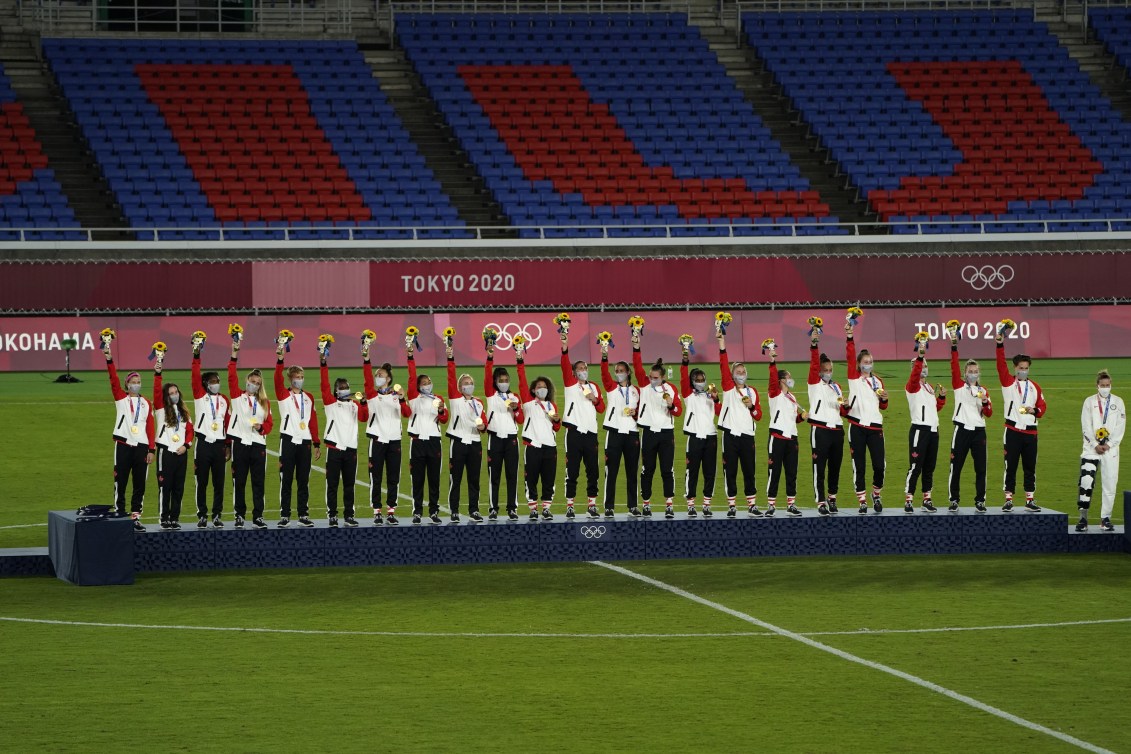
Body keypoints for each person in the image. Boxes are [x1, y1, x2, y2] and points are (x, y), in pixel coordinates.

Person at [102, 338, 155, 532]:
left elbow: (150, 427)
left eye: (138, 382)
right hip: (123, 445)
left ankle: (135, 517)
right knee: (121, 481)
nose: (136, 384)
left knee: (139, 484)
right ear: (127, 384)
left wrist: (151, 449)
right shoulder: (121, 398)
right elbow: (113, 380)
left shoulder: (146, 403)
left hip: (141, 447)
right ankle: (119, 515)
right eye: (133, 382)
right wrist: (109, 360)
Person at [632, 333, 683, 518]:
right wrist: (636, 346)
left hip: (666, 434)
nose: (652, 379)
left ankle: (669, 504)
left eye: (655, 377)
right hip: (648, 433)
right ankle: (646, 503)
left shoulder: (671, 389)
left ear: (662, 377)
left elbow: (678, 412)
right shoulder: (644, 385)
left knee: (667, 469)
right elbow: (637, 365)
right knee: (647, 469)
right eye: (650, 376)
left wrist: (671, 404)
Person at [995, 330, 1045, 512]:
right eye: (1020, 368)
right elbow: (1000, 365)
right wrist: (999, 345)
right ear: (1015, 368)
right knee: (1011, 466)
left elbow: (1042, 406)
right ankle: (1009, 499)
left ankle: (1030, 499)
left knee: (1030, 467)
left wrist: (1036, 410)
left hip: (1031, 432)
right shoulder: (1008, 382)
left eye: (1026, 368)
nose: (1023, 371)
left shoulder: (1035, 387)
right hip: (1013, 431)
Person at [321, 345, 369, 527]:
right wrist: (323, 363)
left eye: (346, 387)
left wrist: (363, 403)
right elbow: (324, 385)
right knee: (332, 485)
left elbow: (364, 418)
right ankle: (332, 515)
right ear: (335, 390)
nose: (344, 389)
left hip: (351, 450)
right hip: (334, 448)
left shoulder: (354, 405)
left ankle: (349, 515)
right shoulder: (330, 403)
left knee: (349, 485)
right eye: (341, 387)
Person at [560, 329, 605, 519]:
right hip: (574, 433)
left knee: (593, 470)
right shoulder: (570, 384)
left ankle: (591, 505)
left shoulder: (594, 386)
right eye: (579, 368)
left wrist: (595, 399)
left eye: (584, 368)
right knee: (573, 470)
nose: (582, 370)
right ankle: (570, 505)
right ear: (573, 372)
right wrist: (564, 346)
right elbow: (564, 364)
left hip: (591, 434)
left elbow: (601, 408)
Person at [716, 332, 762, 517]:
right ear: (732, 375)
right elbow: (723, 364)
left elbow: (758, 416)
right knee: (731, 471)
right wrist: (722, 343)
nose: (741, 374)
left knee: (749, 471)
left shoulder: (753, 392)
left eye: (743, 372)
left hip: (747, 436)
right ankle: (732, 506)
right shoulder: (728, 388)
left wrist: (752, 407)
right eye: (738, 372)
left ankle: (752, 505)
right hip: (730, 435)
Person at [275, 345, 321, 527]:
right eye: (296, 377)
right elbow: (277, 380)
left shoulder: (309, 397)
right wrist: (280, 360)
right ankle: (285, 515)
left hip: (305, 442)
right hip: (287, 440)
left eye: (302, 377)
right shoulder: (283, 394)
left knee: (303, 480)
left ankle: (303, 514)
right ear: (290, 378)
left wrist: (316, 443)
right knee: (286, 479)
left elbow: (313, 421)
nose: (299, 380)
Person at [228, 340, 273, 528]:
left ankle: (258, 516)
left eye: (257, 383)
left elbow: (270, 424)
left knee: (258, 482)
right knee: (239, 482)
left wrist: (261, 429)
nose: (254, 384)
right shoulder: (237, 397)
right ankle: (239, 515)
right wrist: (234, 354)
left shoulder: (264, 402)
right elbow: (231, 376)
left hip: (258, 445)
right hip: (239, 443)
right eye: (252, 381)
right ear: (246, 381)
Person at [844, 321, 887, 514]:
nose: (868, 364)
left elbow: (883, 405)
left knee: (880, 465)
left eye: (870, 361)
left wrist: (884, 399)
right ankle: (862, 500)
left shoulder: (878, 381)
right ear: (859, 364)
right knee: (858, 465)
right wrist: (850, 336)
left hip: (875, 427)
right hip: (857, 426)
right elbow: (850, 355)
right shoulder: (854, 378)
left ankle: (876, 493)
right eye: (865, 361)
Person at [363, 351, 411, 525]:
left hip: (394, 441)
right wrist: (367, 358)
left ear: (389, 379)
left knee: (393, 477)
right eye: (376, 375)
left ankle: (391, 510)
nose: (377, 377)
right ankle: (376, 510)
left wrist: (403, 398)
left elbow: (407, 414)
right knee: (375, 476)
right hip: (376, 439)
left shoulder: (396, 396)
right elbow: (367, 378)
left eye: (381, 375)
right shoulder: (372, 395)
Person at [947, 330, 992, 512]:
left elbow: (988, 413)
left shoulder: (984, 390)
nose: (973, 374)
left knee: (980, 468)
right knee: (956, 466)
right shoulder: (959, 386)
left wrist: (985, 402)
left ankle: (980, 500)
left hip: (979, 431)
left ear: (979, 373)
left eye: (975, 371)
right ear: (965, 373)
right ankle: (954, 499)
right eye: (970, 371)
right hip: (962, 430)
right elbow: (953, 366)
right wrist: (954, 346)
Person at [1077, 369, 1125, 532]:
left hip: (1110, 450)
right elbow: (1085, 425)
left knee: (1110, 484)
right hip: (1091, 449)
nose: (1105, 388)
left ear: (1111, 385)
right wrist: (1094, 445)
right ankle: (1083, 518)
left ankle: (1105, 518)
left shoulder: (1118, 402)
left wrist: (1109, 444)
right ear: (1097, 385)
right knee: (1086, 482)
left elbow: (1120, 427)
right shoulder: (1089, 402)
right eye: (1102, 385)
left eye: (1108, 385)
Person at [517, 346, 561, 519]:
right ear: (533, 390)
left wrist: (557, 421)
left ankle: (546, 508)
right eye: (538, 387)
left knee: (549, 479)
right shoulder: (528, 402)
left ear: (548, 390)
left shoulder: (552, 405)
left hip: (550, 447)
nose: (541, 389)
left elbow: (556, 428)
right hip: (533, 446)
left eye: (544, 387)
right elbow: (521, 379)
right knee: (532, 479)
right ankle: (533, 509)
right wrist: (520, 360)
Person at [407, 340, 450, 524]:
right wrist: (410, 356)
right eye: (423, 383)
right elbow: (411, 376)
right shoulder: (413, 398)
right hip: (417, 441)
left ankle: (433, 511)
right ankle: (417, 511)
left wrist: (441, 410)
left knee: (434, 479)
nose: (427, 384)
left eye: (429, 382)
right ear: (418, 386)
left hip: (434, 442)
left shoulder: (438, 399)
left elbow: (445, 418)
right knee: (417, 479)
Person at [446, 341, 488, 522]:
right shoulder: (455, 399)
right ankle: (454, 510)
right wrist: (450, 357)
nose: (468, 385)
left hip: (475, 443)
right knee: (455, 479)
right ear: (459, 387)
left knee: (474, 479)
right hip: (458, 441)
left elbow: (484, 421)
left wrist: (483, 427)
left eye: (470, 383)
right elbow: (450, 375)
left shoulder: (478, 402)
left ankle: (474, 510)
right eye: (465, 383)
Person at [599, 340, 641, 517]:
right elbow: (603, 373)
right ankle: (609, 506)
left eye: (622, 371)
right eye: (616, 371)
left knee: (632, 472)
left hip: (632, 433)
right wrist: (604, 353)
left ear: (628, 372)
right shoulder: (610, 388)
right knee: (612, 471)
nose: (619, 374)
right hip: (614, 432)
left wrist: (635, 412)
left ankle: (633, 506)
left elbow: (642, 412)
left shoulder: (637, 390)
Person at [903, 343, 946, 513]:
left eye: (925, 365)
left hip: (933, 430)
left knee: (929, 467)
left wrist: (941, 398)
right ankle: (908, 500)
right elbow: (915, 376)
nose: (923, 368)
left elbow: (933, 409)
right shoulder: (912, 386)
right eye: (920, 366)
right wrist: (920, 357)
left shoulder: (928, 387)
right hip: (919, 430)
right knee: (915, 466)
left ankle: (926, 499)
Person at [191, 341, 230, 529]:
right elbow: (194, 374)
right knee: (202, 481)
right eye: (213, 381)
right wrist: (196, 355)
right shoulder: (199, 395)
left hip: (219, 445)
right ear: (206, 384)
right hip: (203, 444)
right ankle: (202, 515)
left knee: (219, 483)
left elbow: (228, 422)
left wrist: (228, 445)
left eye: (218, 381)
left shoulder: (224, 400)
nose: (216, 384)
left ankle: (216, 515)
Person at [680, 342, 721, 517]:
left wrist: (717, 399)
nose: (700, 382)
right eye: (696, 380)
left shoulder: (711, 395)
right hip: (695, 437)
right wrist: (685, 360)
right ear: (691, 382)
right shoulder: (689, 395)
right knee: (692, 472)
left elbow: (720, 413)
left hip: (711, 437)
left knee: (710, 472)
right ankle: (691, 505)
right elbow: (682, 378)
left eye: (702, 379)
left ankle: (706, 504)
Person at [764, 343, 804, 517]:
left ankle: (791, 504)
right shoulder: (774, 393)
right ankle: (771, 504)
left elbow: (792, 419)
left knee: (791, 472)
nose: (791, 379)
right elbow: (772, 379)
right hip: (777, 437)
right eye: (788, 377)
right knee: (775, 472)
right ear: (781, 380)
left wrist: (801, 418)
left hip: (792, 438)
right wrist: (772, 360)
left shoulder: (792, 397)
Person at [808, 328, 845, 515]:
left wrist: (845, 405)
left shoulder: (837, 387)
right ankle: (820, 501)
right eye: (825, 370)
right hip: (820, 429)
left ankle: (832, 498)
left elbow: (843, 410)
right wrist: (814, 344)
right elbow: (814, 365)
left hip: (837, 430)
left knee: (835, 468)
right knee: (819, 468)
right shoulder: (814, 384)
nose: (828, 373)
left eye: (830, 370)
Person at [484, 343, 523, 521]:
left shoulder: (514, 396)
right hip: (494, 438)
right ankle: (493, 508)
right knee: (494, 475)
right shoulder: (490, 394)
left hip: (512, 440)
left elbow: (521, 419)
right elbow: (486, 377)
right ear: (495, 382)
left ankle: (512, 508)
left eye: (506, 379)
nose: (504, 382)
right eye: (501, 380)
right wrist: (490, 357)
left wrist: (515, 409)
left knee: (512, 474)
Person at [154, 358, 193, 530]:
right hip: (166, 453)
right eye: (171, 393)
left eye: (176, 392)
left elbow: (190, 431)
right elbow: (156, 391)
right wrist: (158, 373)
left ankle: (174, 518)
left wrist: (187, 446)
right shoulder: (161, 410)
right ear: (165, 396)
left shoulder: (184, 411)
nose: (174, 395)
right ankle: (164, 518)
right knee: (165, 487)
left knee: (178, 487)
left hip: (182, 453)